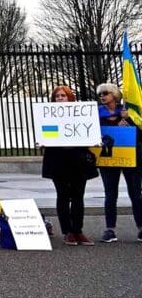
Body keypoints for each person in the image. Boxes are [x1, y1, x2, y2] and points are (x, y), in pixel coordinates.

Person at [41, 85, 98, 246]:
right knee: (63, 195)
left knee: (78, 196)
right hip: (58, 160)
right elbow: (47, 133)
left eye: (63, 96)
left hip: (78, 160)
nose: (60, 98)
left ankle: (78, 231)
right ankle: (68, 232)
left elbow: (88, 132)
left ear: (70, 97)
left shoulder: (81, 115)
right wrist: (43, 141)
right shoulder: (48, 116)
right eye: (57, 96)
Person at [94, 82, 142, 243]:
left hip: (130, 158)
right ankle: (110, 230)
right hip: (108, 159)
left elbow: (140, 134)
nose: (102, 96)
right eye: (100, 94)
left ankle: (141, 228)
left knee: (136, 194)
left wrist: (129, 123)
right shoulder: (96, 115)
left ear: (114, 95)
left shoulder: (128, 112)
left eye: (105, 93)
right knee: (110, 194)